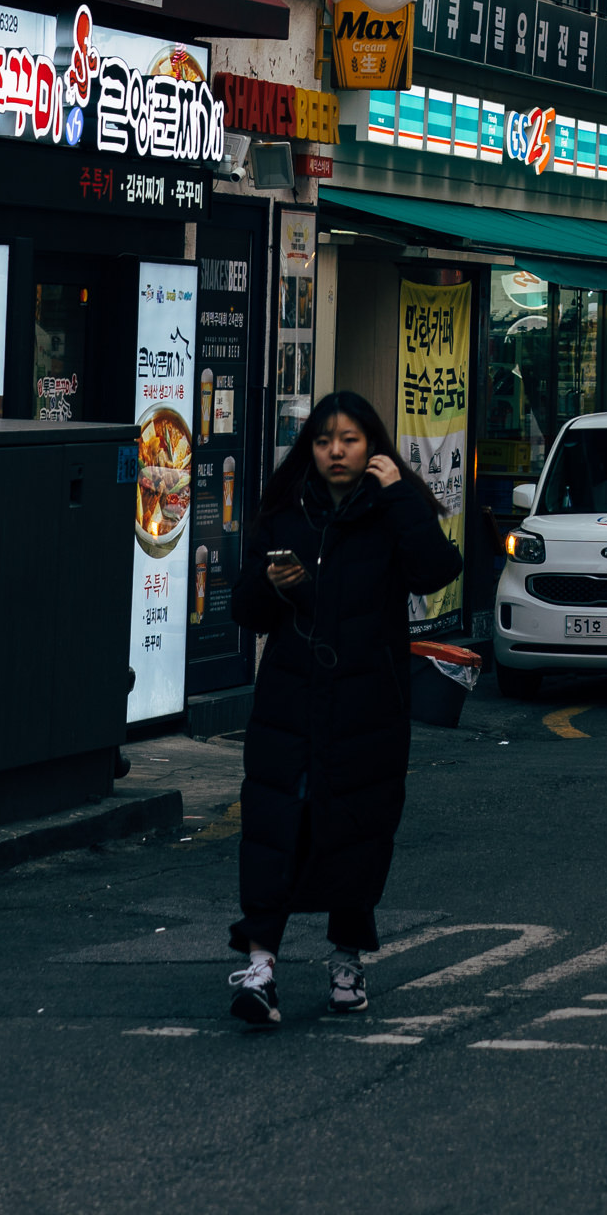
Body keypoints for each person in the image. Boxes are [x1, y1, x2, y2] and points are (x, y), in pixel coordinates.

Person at [225, 391, 460, 1032]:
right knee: (274, 828)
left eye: (350, 440)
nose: (336, 451)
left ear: (372, 446)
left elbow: (437, 570)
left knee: (357, 833)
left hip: (368, 705)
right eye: (325, 439)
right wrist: (271, 587)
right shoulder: (284, 510)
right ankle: (260, 966)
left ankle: (347, 960)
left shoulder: (389, 511)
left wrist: (404, 497)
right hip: (288, 703)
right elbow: (244, 610)